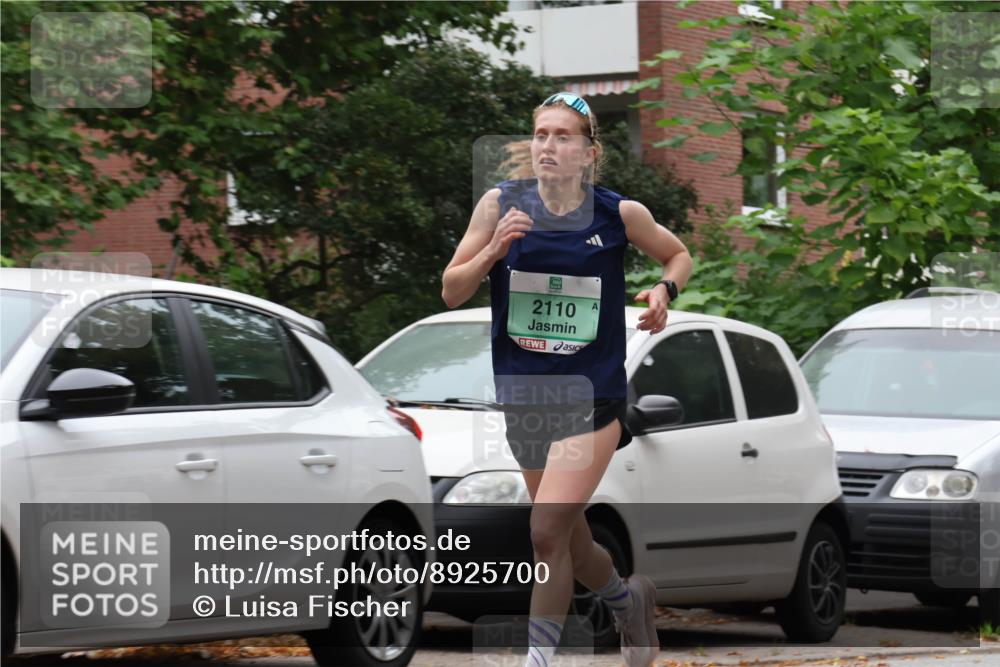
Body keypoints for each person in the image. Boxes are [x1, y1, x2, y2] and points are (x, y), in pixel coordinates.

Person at [441, 92, 693, 667]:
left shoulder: (618, 214)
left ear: (588, 152)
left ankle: (539, 660)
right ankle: (628, 600)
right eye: (541, 135)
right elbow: (452, 289)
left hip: (592, 397)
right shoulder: (500, 205)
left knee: (545, 532)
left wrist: (663, 291)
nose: (548, 146)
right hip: (525, 395)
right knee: (571, 541)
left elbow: (677, 256)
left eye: (562, 136)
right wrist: (495, 250)